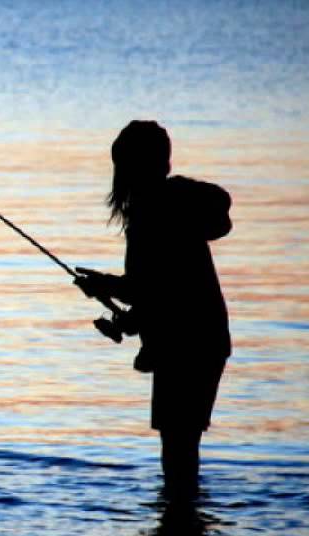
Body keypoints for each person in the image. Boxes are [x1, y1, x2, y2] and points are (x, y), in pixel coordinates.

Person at [74, 120, 232, 486]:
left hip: (187, 347)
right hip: (204, 341)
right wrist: (118, 309)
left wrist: (102, 284)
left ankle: (180, 526)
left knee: (177, 450)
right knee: (182, 446)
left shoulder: (154, 212)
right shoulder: (173, 205)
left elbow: (141, 288)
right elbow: (160, 292)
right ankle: (184, 529)